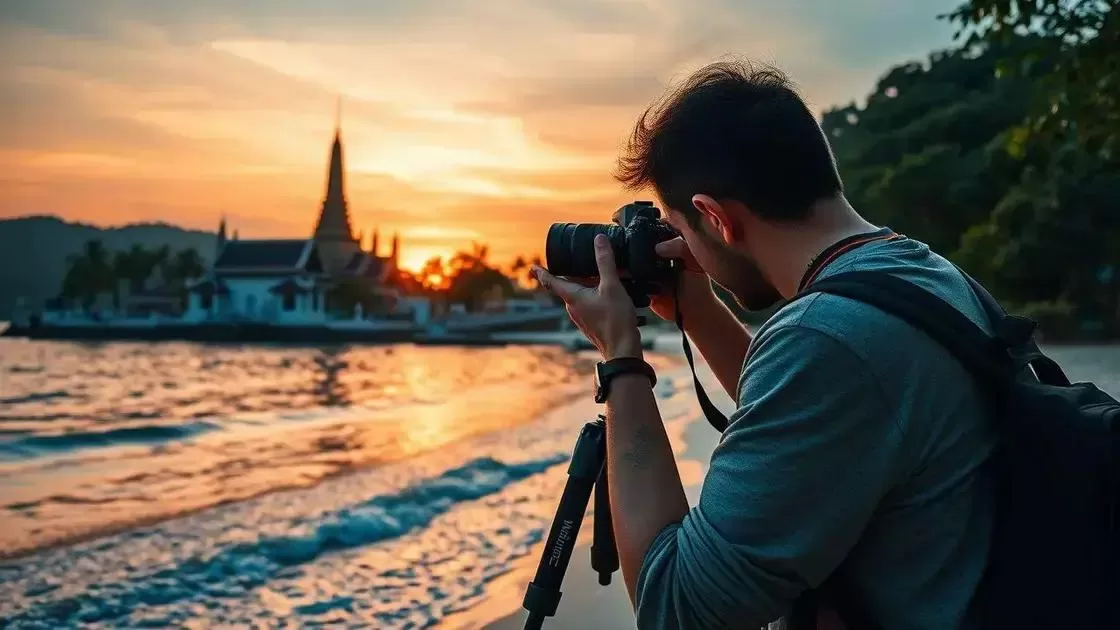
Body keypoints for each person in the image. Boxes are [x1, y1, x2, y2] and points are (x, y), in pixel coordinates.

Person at [532, 60, 998, 629]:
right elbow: (812, 416)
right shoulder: (919, 275)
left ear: (714, 217)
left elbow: (676, 608)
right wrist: (696, 311)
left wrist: (622, 361)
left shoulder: (827, 340)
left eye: (683, 230)